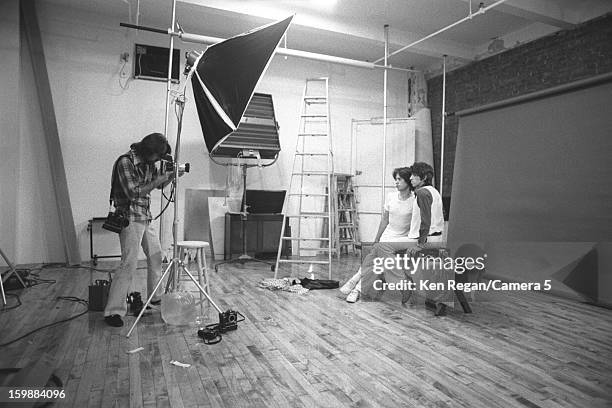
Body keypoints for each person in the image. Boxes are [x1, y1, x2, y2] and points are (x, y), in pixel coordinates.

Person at [340, 162, 445, 303]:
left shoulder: (421, 193)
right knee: (379, 248)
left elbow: (426, 222)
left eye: (414, 176)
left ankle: (400, 283)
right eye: (411, 175)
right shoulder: (434, 191)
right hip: (430, 237)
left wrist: (420, 245)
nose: (412, 178)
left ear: (424, 177)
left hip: (425, 239)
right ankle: (356, 283)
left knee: (382, 247)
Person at [104, 132, 174, 327]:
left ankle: (155, 297)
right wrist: (158, 181)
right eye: (157, 156)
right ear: (148, 151)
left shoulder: (147, 162)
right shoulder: (125, 162)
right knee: (128, 264)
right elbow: (133, 192)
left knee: (156, 256)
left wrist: (169, 177)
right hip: (130, 217)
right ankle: (113, 312)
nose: (157, 161)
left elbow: (157, 186)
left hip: (145, 217)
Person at [339, 167, 415, 302]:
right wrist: (377, 238)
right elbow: (385, 220)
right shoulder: (391, 196)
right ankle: (357, 288)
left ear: (408, 181)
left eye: (399, 179)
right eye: (395, 179)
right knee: (375, 261)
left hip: (402, 237)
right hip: (387, 236)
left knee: (374, 259)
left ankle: (355, 282)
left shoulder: (415, 200)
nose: (396, 182)